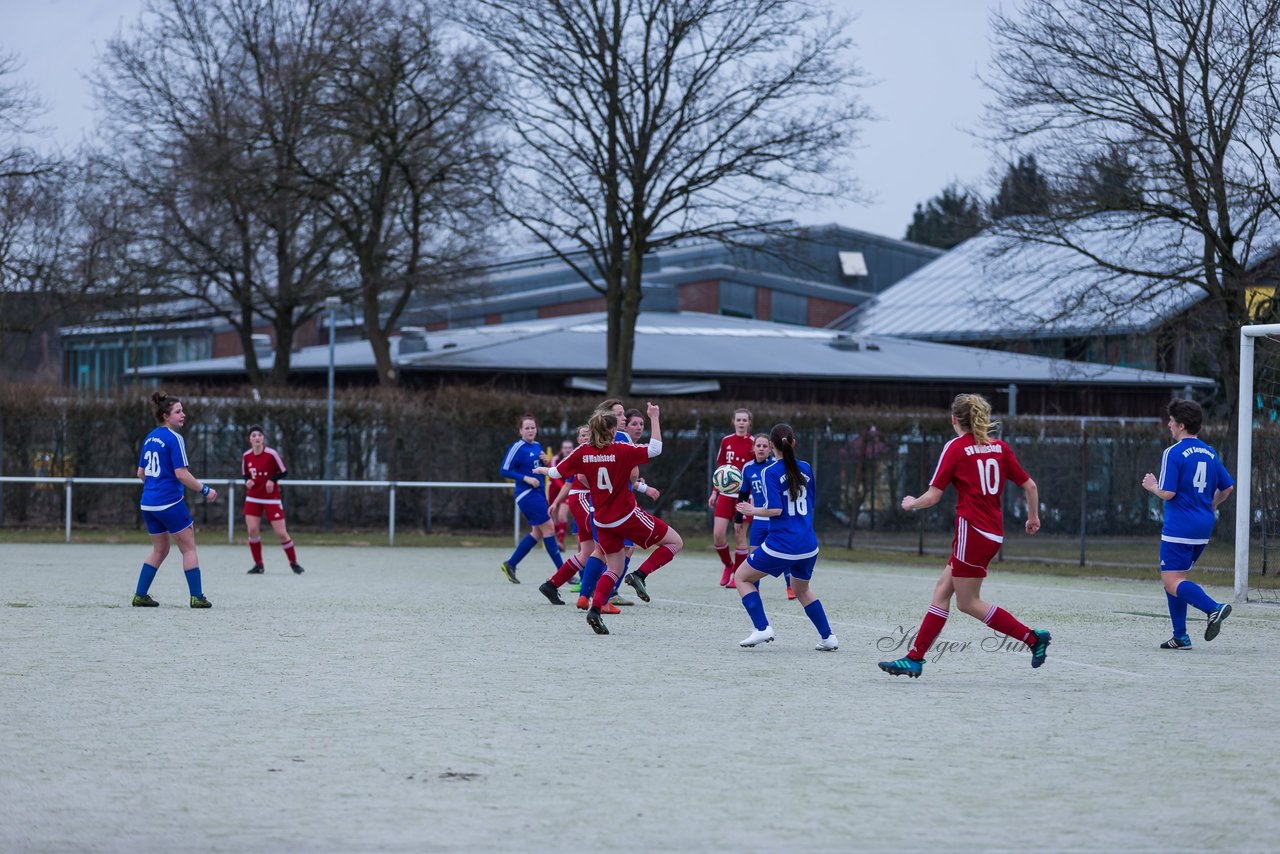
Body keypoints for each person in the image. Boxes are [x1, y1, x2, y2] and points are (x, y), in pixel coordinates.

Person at [878, 393, 1050, 678]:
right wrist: (1033, 517)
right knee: (942, 590)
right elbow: (1030, 486)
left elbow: (933, 497)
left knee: (967, 602)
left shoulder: (956, 448)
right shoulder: (999, 447)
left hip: (972, 532)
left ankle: (1032, 638)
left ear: (954, 420)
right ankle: (915, 657)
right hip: (992, 534)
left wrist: (910, 504)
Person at [538, 402, 683, 635]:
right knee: (675, 542)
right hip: (626, 515)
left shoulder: (582, 451)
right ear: (613, 431)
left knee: (613, 567)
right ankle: (640, 574)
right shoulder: (620, 450)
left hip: (602, 521)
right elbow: (655, 448)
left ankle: (594, 610)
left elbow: (556, 472)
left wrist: (542, 470)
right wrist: (654, 417)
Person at [733, 423, 837, 650]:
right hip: (809, 544)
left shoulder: (769, 472)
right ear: (794, 443)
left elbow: (775, 510)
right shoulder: (807, 468)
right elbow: (811, 501)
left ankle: (762, 628)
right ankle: (828, 637)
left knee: (741, 577)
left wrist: (751, 510)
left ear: (771, 446)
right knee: (802, 590)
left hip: (782, 544)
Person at [1141, 399, 1235, 650]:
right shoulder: (1209, 451)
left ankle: (1213, 608)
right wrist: (1212, 505)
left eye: (1172, 421)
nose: (1169, 424)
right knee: (1177, 578)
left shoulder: (1173, 452)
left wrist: (1152, 487)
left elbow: (1168, 493)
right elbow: (1228, 487)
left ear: (1181, 425)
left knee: (1172, 581)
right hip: (1203, 526)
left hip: (1180, 526)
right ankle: (1180, 636)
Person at [131, 390, 217, 608]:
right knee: (188, 548)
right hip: (169, 503)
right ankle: (197, 597)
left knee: (159, 550)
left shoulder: (150, 437)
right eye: (178, 411)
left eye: (182, 411)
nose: (183, 414)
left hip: (148, 504)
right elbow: (181, 474)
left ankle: (140, 595)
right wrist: (205, 490)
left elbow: (141, 473)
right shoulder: (175, 438)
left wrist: (154, 486)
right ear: (165, 416)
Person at [540, 424, 620, 616]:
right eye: (582, 435)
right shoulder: (586, 452)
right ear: (578, 439)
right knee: (602, 547)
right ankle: (597, 594)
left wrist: (557, 501)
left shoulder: (588, 451)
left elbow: (568, 483)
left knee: (586, 552)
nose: (585, 438)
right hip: (584, 498)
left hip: (581, 498)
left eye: (588, 434)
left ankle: (551, 584)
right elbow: (582, 478)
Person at [499, 414, 563, 584]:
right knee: (549, 528)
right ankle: (565, 573)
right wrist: (526, 479)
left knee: (537, 532)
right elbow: (504, 470)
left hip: (538, 493)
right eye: (526, 428)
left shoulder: (537, 446)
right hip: (527, 495)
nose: (530, 431)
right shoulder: (517, 447)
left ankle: (511, 564)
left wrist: (546, 462)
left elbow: (540, 469)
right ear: (520, 431)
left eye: (532, 427)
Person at [242, 424, 303, 575]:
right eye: (254, 435)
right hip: (253, 497)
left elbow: (284, 472)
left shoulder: (271, 454)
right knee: (252, 530)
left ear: (263, 438)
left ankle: (294, 563)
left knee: (281, 533)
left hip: (271, 498)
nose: (257, 438)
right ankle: (258, 565)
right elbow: (246, 474)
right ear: (249, 439)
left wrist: (272, 480)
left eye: (259, 435)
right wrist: (247, 481)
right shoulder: (246, 456)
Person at [739, 433, 793, 599]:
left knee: (783, 553)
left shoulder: (776, 467)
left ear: (770, 448)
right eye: (758, 446)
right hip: (758, 521)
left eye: (765, 446)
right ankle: (754, 590)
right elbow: (743, 493)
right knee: (755, 556)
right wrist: (738, 518)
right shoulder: (748, 468)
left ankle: (790, 587)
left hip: (775, 519)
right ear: (753, 448)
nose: (761, 449)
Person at [710, 409, 754, 586]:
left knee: (739, 534)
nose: (741, 423)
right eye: (739, 420)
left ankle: (738, 574)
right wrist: (715, 491)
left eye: (745, 420)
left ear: (749, 423)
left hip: (744, 496)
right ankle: (728, 565)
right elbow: (721, 467)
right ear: (733, 421)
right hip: (725, 494)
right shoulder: (726, 441)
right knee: (718, 534)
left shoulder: (753, 443)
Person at [549, 437, 577, 551]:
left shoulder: (575, 458)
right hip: (555, 491)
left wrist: (566, 490)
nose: (568, 450)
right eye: (565, 448)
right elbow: (554, 478)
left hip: (566, 491)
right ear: (561, 449)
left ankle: (560, 542)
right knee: (554, 518)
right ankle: (558, 540)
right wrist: (563, 488)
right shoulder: (555, 459)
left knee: (562, 515)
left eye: (570, 448)